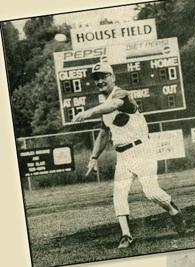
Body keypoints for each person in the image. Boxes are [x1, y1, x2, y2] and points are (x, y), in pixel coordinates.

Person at [73, 62, 186, 249]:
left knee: (152, 193)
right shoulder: (104, 105)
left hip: (141, 150)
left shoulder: (121, 94)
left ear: (113, 77)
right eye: (96, 78)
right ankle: (126, 235)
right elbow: (104, 133)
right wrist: (93, 157)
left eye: (104, 76)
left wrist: (89, 111)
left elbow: (114, 105)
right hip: (123, 155)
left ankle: (174, 211)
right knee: (119, 194)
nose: (100, 81)